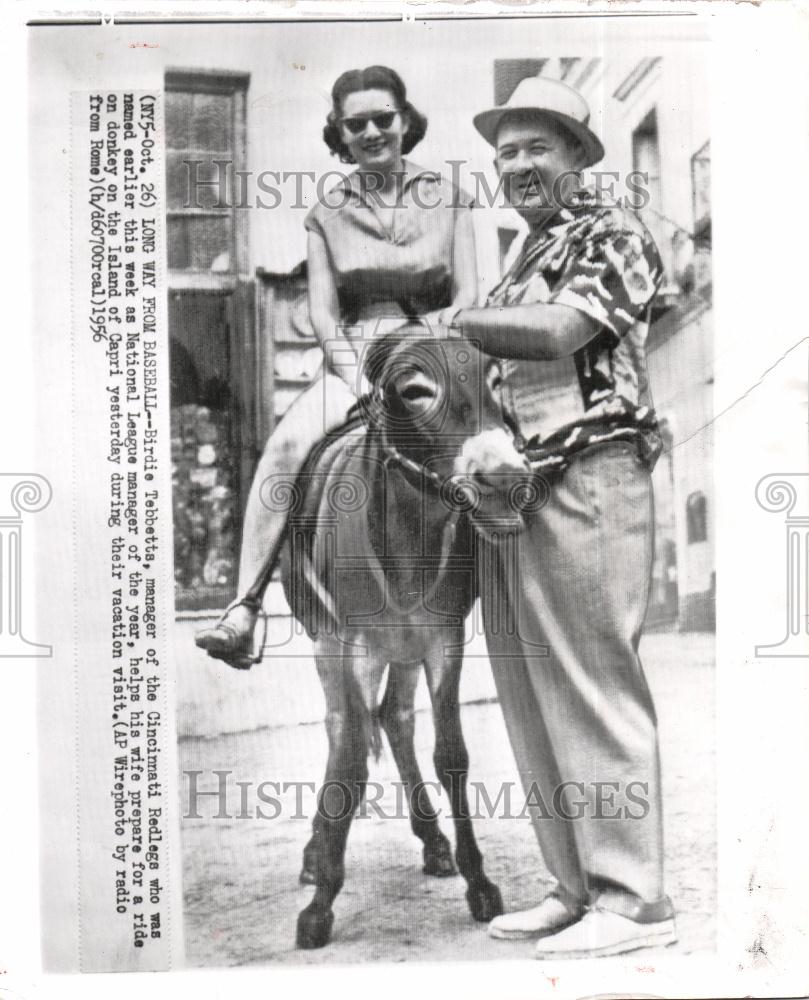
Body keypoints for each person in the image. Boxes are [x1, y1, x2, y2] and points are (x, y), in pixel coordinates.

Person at [433, 76, 677, 959]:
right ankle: (573, 887)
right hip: (522, 490)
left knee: (594, 682)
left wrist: (455, 322)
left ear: (578, 155)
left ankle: (635, 900)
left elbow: (557, 334)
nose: (520, 165)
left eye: (539, 146)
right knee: (531, 690)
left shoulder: (612, 233)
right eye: (506, 152)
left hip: (593, 473)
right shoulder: (520, 259)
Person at [196, 65, 477, 668]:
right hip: (360, 355)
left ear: (406, 121)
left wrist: (427, 348)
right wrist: (357, 376)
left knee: (498, 441)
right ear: (340, 134)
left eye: (384, 118)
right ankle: (244, 606)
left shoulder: (450, 196)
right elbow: (323, 317)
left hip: (439, 352)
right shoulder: (326, 213)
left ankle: (520, 593)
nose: (373, 132)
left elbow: (468, 297)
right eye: (357, 124)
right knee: (285, 447)